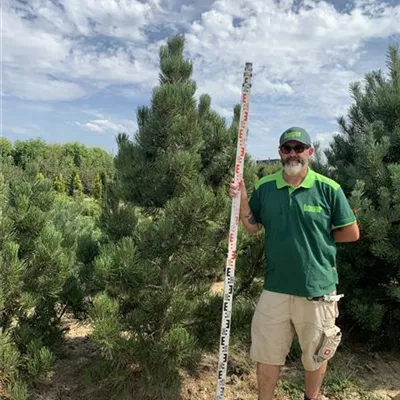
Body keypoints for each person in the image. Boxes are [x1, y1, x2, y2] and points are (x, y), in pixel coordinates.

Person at [229, 127, 360, 400]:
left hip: (317, 288)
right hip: (275, 287)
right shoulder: (266, 188)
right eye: (287, 148)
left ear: (310, 152)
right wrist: (241, 202)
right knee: (267, 354)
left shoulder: (328, 188)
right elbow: (253, 227)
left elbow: (351, 232)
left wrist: (320, 237)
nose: (292, 154)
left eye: (299, 148)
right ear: (280, 153)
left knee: (315, 354)